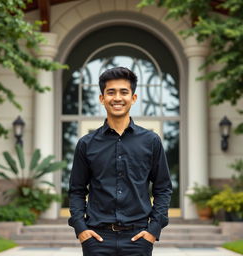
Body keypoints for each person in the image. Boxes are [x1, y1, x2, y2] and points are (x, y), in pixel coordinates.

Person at [68, 67, 172, 256]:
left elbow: (163, 188)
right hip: (97, 240)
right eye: (111, 92)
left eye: (124, 92)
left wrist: (153, 230)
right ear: (102, 99)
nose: (117, 98)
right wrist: (81, 228)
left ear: (133, 98)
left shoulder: (151, 141)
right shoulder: (86, 144)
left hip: (138, 239)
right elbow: (76, 190)